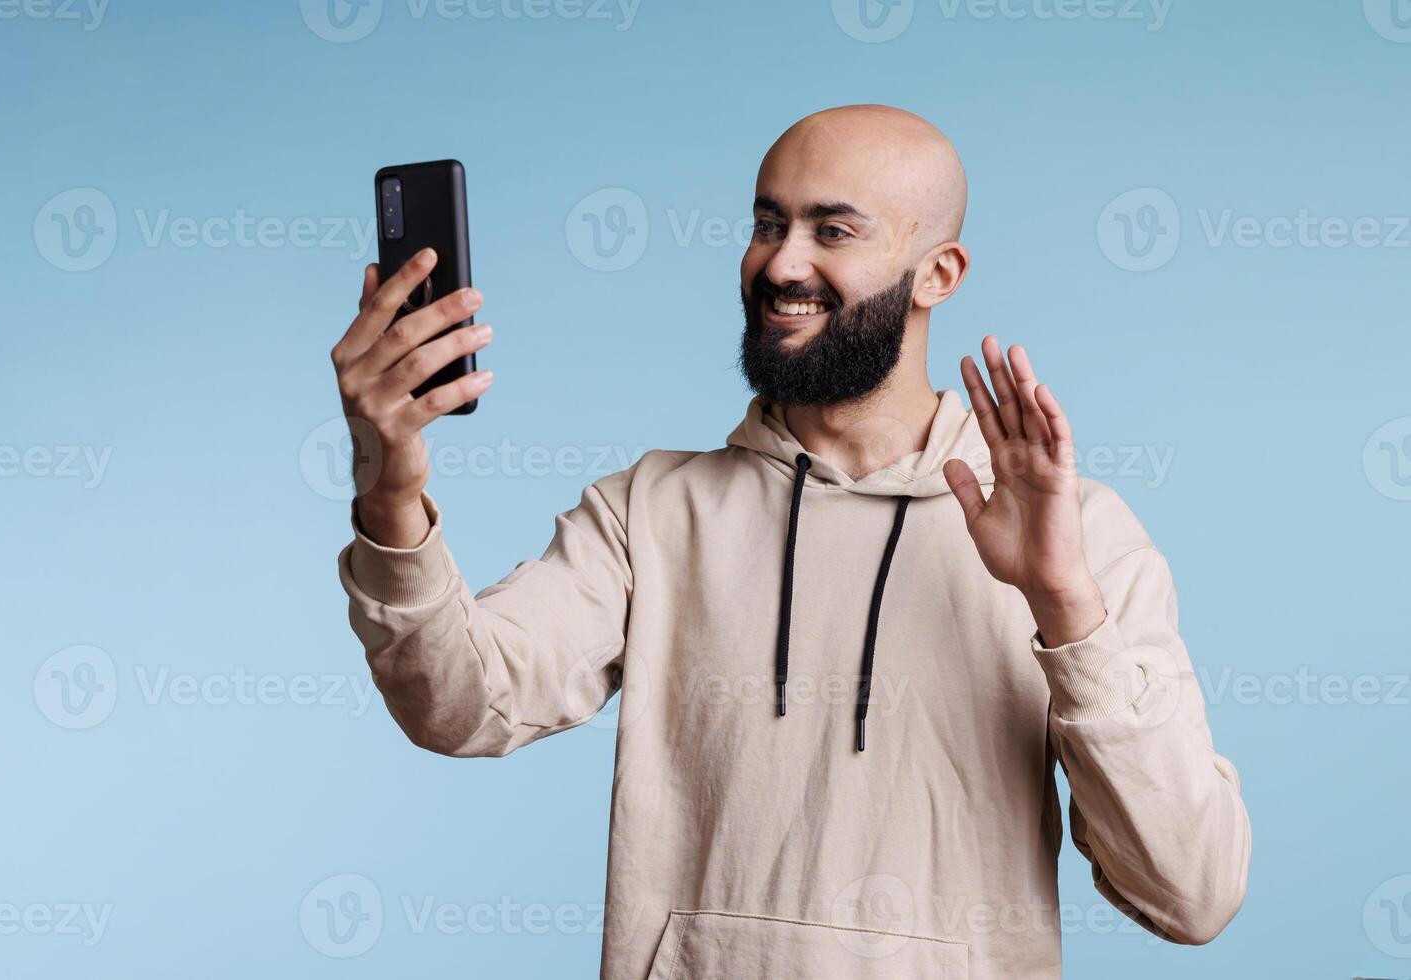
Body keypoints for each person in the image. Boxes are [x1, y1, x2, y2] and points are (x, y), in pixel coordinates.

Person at [330, 104, 1250, 979]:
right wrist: (391, 486)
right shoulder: (650, 510)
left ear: (939, 274)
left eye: (832, 231)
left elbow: (1190, 894)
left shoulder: (1076, 534)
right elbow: (456, 706)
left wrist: (1064, 608)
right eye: (769, 224)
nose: (780, 265)